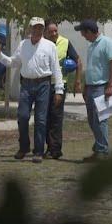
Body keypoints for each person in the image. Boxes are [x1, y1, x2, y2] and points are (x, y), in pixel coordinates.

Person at [0, 17, 64, 163]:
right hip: (26, 85)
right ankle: (24, 147)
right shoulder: (23, 45)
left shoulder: (50, 46)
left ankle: (38, 151)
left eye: (40, 28)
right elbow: (13, 62)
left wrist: (59, 90)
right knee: (23, 116)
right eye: (35, 27)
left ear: (43, 30)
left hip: (44, 84)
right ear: (30, 29)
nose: (37, 30)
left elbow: (56, 69)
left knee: (41, 119)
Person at [74, 19, 112, 163]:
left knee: (101, 120)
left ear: (89, 31)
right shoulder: (92, 45)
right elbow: (93, 68)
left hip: (102, 87)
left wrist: (110, 85)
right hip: (91, 88)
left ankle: (102, 151)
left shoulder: (107, 42)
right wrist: (86, 86)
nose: (82, 35)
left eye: (83, 32)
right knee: (92, 120)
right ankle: (99, 147)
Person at [43, 20, 83, 159]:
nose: (54, 33)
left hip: (60, 85)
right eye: (51, 31)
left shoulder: (65, 42)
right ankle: (48, 146)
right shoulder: (42, 44)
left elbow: (78, 61)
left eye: (56, 31)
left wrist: (77, 81)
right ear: (45, 32)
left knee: (56, 116)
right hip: (43, 85)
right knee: (45, 116)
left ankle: (55, 149)